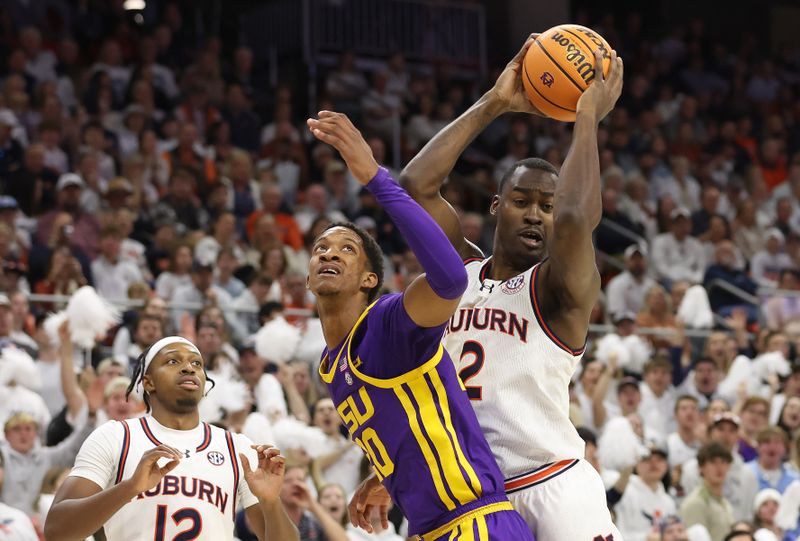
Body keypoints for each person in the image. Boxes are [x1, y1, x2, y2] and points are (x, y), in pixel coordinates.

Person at [397, 35, 624, 538]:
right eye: (523, 200)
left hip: (553, 484)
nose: (537, 214)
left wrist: (586, 117)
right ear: (496, 207)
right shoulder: (457, 275)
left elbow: (572, 217)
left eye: (545, 205)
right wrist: (495, 101)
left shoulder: (557, 286)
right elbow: (414, 186)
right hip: (469, 494)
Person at [305, 111, 533, 540]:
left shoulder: (386, 323)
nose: (329, 254)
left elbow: (450, 279)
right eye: (320, 247)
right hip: (431, 529)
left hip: (476, 524)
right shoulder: (330, 365)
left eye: (346, 249)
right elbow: (408, 425)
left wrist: (376, 178)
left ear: (370, 279)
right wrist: (389, 480)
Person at [43, 336, 299, 541]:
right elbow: (56, 530)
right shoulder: (115, 436)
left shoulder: (237, 447)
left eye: (197, 363)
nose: (189, 367)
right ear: (149, 382)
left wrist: (270, 501)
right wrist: (130, 487)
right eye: (173, 362)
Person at [679, 442, 735, 541]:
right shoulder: (695, 503)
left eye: (723, 462)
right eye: (713, 462)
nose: (719, 467)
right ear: (701, 467)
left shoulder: (725, 503)